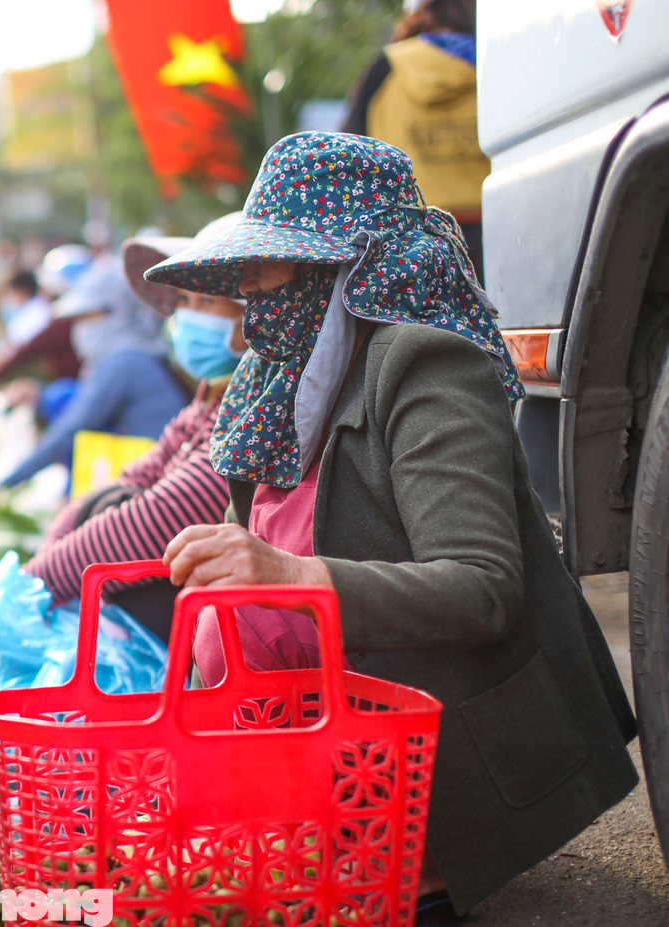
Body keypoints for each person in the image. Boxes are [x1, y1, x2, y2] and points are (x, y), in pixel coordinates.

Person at [146, 132, 636, 924]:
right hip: (310, 777)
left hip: (429, 792)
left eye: (262, 272)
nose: (246, 307)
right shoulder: (278, 383)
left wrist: (288, 574)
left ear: (338, 271)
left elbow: (480, 589)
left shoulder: (425, 367)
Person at [25, 216, 245, 641]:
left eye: (205, 304)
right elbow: (138, 476)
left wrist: (32, 587)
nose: (184, 317)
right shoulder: (211, 396)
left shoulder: (257, 411)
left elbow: (159, 517)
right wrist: (53, 547)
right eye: (183, 301)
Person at [0, 260, 188, 494]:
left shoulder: (124, 359)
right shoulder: (131, 352)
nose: (80, 329)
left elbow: (72, 427)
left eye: (88, 318)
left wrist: (5, 483)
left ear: (117, 312)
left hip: (167, 480)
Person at [341, 0, 485, 281]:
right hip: (497, 224)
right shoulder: (496, 62)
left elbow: (349, 151)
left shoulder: (386, 67)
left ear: (414, 16)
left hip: (412, 235)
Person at [0, 270, 52, 348]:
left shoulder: (39, 309)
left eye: (13, 292)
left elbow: (22, 341)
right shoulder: (24, 311)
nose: (12, 297)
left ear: (23, 291)